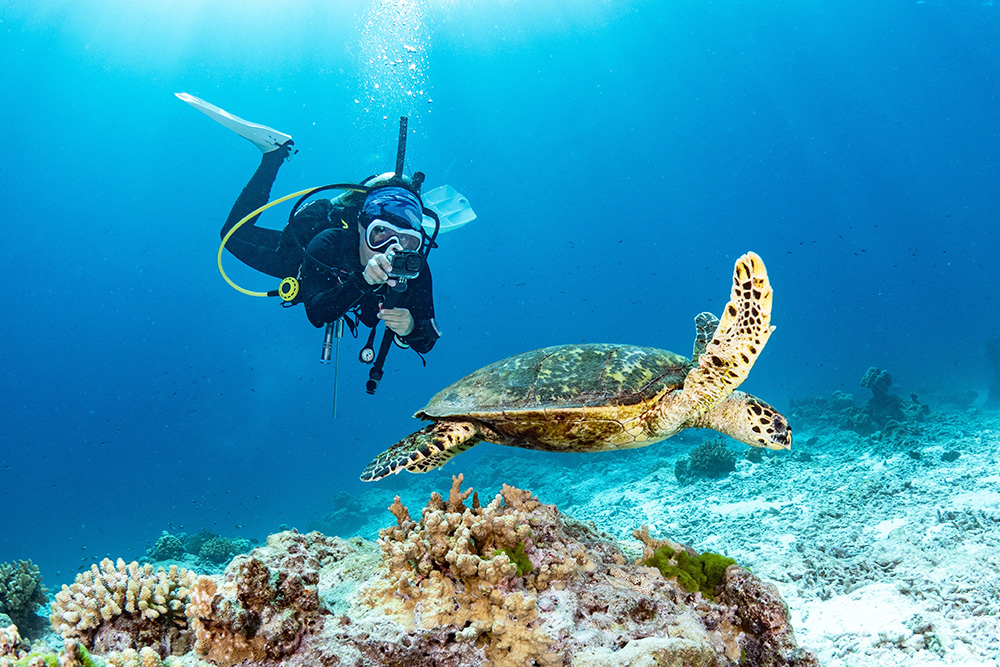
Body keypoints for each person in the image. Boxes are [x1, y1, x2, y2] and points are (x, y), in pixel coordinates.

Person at [220, 136, 442, 358]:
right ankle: (274, 156)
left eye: (406, 240)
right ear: (360, 226)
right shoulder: (330, 243)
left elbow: (426, 342)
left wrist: (410, 328)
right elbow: (317, 314)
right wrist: (364, 280)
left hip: (356, 294)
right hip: (305, 264)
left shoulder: (413, 266)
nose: (391, 249)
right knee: (232, 237)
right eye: (381, 233)